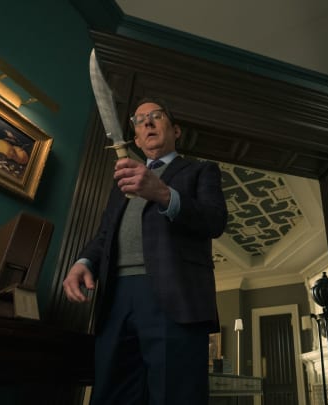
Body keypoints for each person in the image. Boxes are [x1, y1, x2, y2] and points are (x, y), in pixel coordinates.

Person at [62, 97, 228, 405]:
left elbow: (215, 221)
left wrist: (163, 193)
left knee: (174, 395)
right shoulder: (122, 180)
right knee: (110, 395)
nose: (147, 122)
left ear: (175, 130)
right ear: (136, 138)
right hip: (114, 299)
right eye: (139, 120)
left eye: (156, 116)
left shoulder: (201, 171)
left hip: (174, 297)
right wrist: (83, 262)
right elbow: (105, 234)